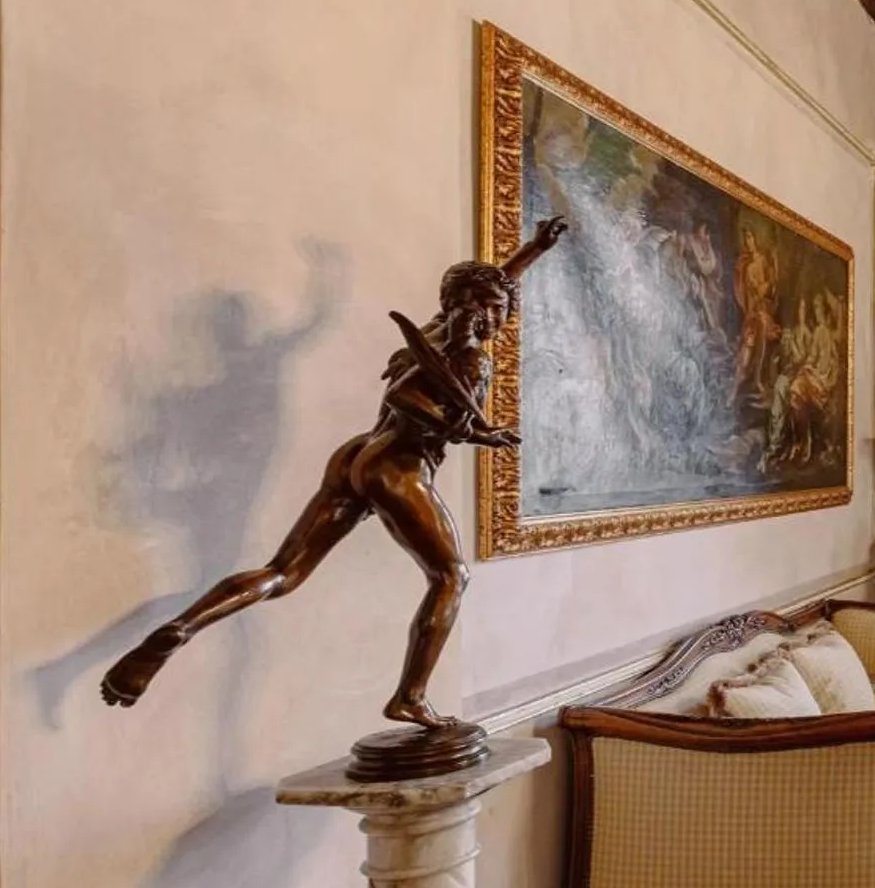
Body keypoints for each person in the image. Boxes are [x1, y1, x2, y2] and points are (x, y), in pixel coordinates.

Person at [100, 217, 570, 728]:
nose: (501, 316)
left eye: (501, 306)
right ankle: (410, 697)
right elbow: (405, 396)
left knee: (283, 573)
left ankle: (183, 628)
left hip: (357, 456)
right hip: (400, 467)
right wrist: (474, 432)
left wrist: (532, 251)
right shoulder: (472, 358)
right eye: (496, 308)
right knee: (451, 576)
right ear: (476, 309)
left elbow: (488, 289)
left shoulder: (436, 331)